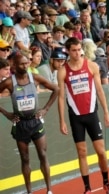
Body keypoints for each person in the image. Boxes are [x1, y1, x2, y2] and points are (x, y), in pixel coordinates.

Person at [57, 37, 109, 194]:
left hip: (92, 115)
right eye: (74, 50)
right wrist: (61, 120)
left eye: (79, 50)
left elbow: (100, 90)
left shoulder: (91, 66)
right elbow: (61, 97)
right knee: (82, 153)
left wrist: (107, 113)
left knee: (101, 151)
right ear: (68, 51)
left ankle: (106, 183)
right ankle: (87, 188)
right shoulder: (63, 71)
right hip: (75, 117)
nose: (77, 53)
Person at [0, 53, 59, 194]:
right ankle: (29, 191)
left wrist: (45, 109)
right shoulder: (9, 82)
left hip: (36, 122)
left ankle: (49, 190)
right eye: (22, 64)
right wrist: (6, 113)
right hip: (21, 124)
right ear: (14, 65)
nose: (26, 66)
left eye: (27, 63)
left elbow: (56, 89)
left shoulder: (35, 78)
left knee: (43, 155)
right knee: (25, 159)